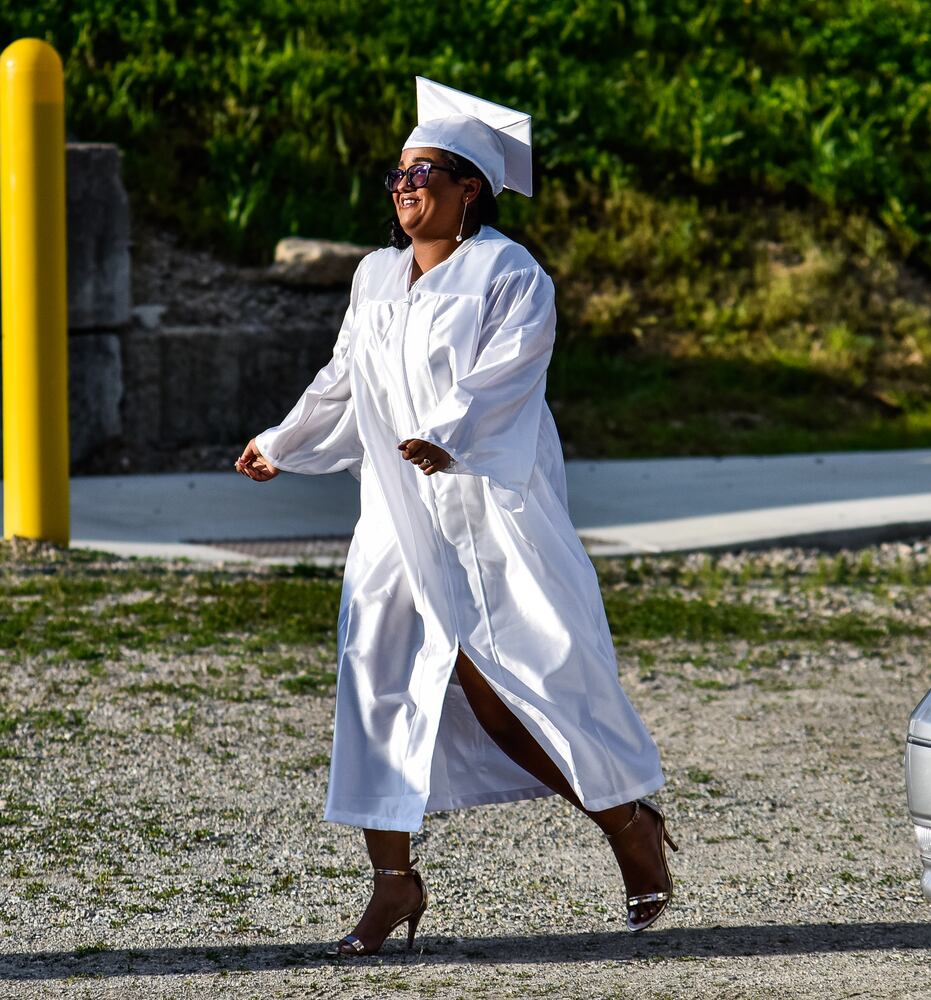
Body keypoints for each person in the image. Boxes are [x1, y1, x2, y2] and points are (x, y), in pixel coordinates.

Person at [235, 78, 676, 956]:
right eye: (395, 176)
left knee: (512, 693)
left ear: (469, 184)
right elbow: (345, 377)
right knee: (377, 682)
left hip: (485, 510)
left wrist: (446, 437)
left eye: (423, 173)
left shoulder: (509, 275)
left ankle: (629, 825)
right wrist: (282, 441)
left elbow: (507, 379)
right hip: (396, 515)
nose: (404, 190)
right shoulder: (371, 276)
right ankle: (393, 886)